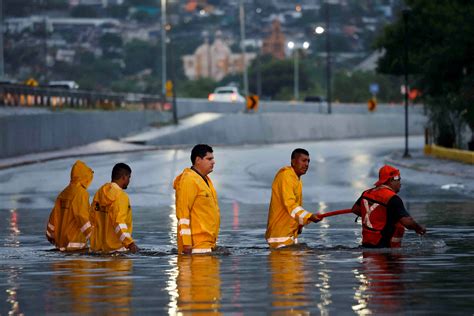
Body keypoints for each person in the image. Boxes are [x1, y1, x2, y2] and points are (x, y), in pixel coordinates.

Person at [351, 164, 426, 248]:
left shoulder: (366, 193)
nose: (400, 183)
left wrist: (376, 216)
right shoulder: (392, 198)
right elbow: (407, 222)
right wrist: (418, 228)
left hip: (367, 244)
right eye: (399, 180)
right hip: (385, 248)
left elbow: (355, 210)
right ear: (391, 180)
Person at [265, 148, 321, 249]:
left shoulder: (297, 180)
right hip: (280, 237)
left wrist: (305, 221)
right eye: (303, 160)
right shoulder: (286, 176)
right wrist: (309, 216)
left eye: (308, 161)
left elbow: (295, 210)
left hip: (288, 235)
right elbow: (290, 205)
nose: (307, 164)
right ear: (293, 161)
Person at [173, 144, 220, 254]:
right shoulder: (189, 180)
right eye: (209, 159)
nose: (213, 162)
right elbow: (183, 214)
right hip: (195, 248)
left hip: (206, 245)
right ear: (198, 160)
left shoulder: (205, 180)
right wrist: (187, 244)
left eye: (212, 158)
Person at [90, 163, 139, 253]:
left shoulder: (100, 193)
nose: (129, 180)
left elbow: (92, 219)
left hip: (98, 249)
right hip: (117, 250)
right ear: (124, 177)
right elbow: (119, 223)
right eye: (129, 177)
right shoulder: (121, 196)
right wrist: (130, 243)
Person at [46, 160, 94, 251]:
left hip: (60, 244)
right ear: (85, 177)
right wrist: (94, 237)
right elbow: (82, 216)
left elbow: (53, 217)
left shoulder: (63, 193)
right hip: (76, 246)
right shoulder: (81, 193)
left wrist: (50, 235)